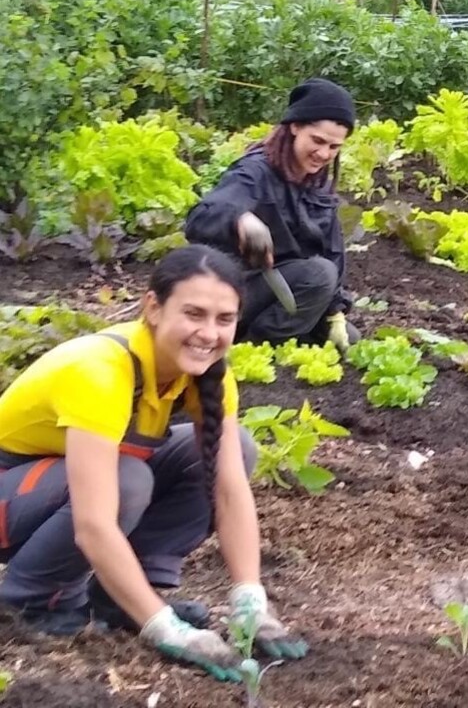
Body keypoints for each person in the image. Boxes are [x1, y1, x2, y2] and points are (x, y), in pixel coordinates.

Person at [0, 245, 307, 682]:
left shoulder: (208, 375)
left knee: (233, 448)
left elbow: (228, 489)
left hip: (46, 490)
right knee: (127, 480)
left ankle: (119, 596)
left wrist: (250, 599)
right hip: (10, 497)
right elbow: (93, 523)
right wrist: (164, 628)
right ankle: (35, 597)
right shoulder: (100, 371)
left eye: (224, 320)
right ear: (153, 308)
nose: (208, 333)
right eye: (194, 314)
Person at [185, 77, 359, 350]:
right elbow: (202, 216)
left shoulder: (318, 184)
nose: (324, 153)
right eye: (318, 140)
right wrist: (241, 220)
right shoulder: (255, 172)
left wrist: (335, 312)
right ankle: (252, 344)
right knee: (319, 276)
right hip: (233, 290)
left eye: (334, 147)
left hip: (283, 291)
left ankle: (281, 335)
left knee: (347, 336)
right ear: (295, 126)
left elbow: (332, 252)